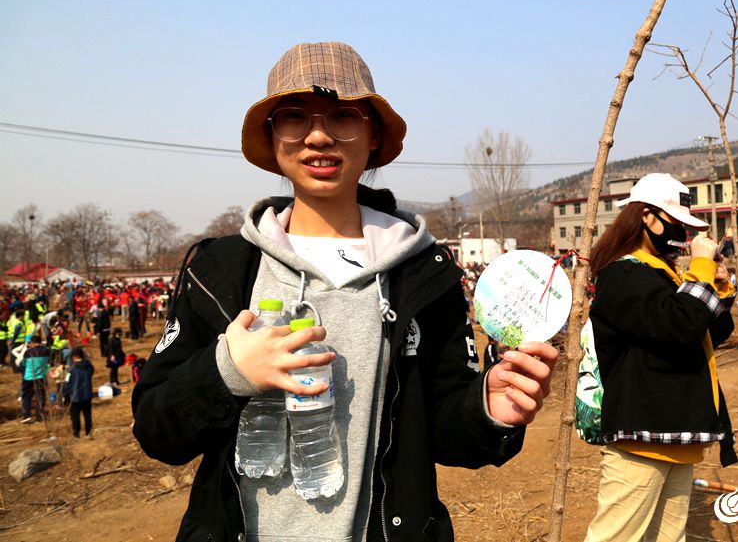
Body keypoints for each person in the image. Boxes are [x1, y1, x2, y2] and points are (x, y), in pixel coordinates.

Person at [131, 42, 558, 541]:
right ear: (272, 138)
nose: (318, 136)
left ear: (373, 134)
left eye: (343, 116)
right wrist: (230, 372)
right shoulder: (222, 268)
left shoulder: (422, 271)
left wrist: (488, 408)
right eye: (294, 116)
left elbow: (442, 427)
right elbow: (156, 428)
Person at [583, 173, 737, 542]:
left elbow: (711, 333)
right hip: (642, 436)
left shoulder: (667, 276)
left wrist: (716, 284)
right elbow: (678, 326)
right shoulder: (622, 275)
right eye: (676, 223)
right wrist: (699, 271)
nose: (683, 235)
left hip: (676, 435)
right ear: (648, 218)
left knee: (669, 537)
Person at [21, 334, 51, 423]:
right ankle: (39, 417)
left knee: (26, 396)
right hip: (41, 377)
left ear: (32, 343)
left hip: (29, 377)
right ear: (40, 342)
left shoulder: (28, 352)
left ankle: (27, 415)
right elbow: (50, 362)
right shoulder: (47, 351)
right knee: (40, 397)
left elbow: (23, 364)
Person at [65, 347, 94, 438]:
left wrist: (65, 396)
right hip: (87, 394)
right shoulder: (89, 366)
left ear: (75, 356)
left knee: (75, 416)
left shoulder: (71, 369)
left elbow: (67, 383)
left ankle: (76, 433)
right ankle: (88, 432)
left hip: (75, 395)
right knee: (87, 414)